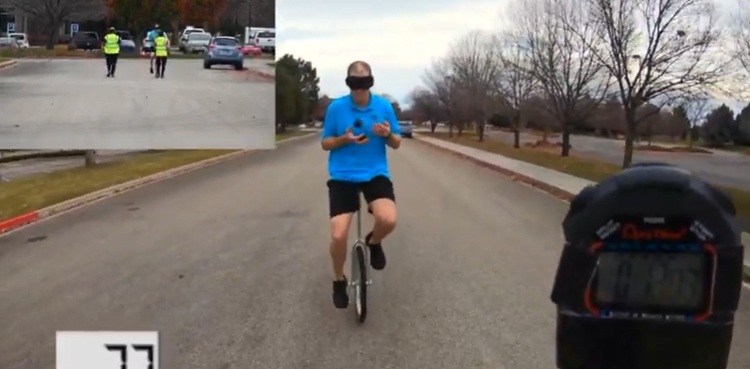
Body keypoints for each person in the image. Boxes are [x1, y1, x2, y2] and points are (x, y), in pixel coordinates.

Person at [320, 60, 402, 309]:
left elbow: (397, 142)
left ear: (371, 82)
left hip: (375, 173)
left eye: (364, 82)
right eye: (354, 83)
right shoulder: (336, 108)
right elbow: (325, 143)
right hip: (342, 175)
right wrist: (343, 140)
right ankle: (338, 279)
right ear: (348, 83)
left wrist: (386, 135)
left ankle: (374, 242)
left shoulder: (384, 107)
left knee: (388, 219)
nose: (359, 88)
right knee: (338, 234)